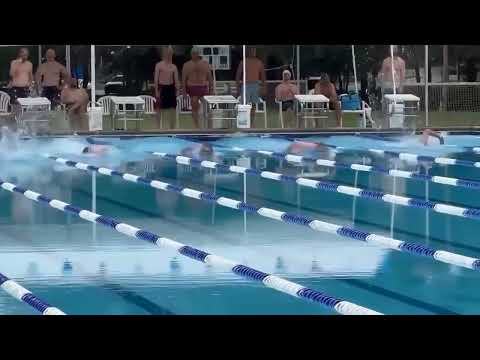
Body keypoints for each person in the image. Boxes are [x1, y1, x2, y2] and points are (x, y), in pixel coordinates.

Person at [181, 47, 213, 128]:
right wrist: (184, 91)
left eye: (195, 54)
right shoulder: (186, 65)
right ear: (191, 54)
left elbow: (210, 78)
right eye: (193, 54)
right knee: (194, 105)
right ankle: (197, 126)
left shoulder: (205, 64)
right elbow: (183, 79)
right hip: (192, 88)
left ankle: (209, 125)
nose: (194, 55)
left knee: (208, 107)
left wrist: (211, 90)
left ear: (198, 54)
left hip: (203, 87)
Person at [235, 46, 266, 127]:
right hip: (246, 85)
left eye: (254, 50)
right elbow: (238, 75)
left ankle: (251, 123)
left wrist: (263, 87)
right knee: (244, 104)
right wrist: (238, 87)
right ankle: (244, 122)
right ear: (248, 51)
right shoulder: (244, 62)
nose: (253, 52)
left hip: (255, 85)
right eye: (251, 50)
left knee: (254, 105)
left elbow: (263, 76)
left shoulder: (259, 62)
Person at [154, 46, 180, 129]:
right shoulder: (159, 65)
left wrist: (177, 90)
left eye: (171, 53)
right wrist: (156, 91)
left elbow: (176, 80)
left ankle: (172, 128)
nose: (169, 55)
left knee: (172, 109)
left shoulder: (174, 67)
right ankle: (158, 128)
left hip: (171, 88)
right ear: (165, 54)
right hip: (162, 88)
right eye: (168, 53)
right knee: (159, 109)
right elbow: (156, 79)